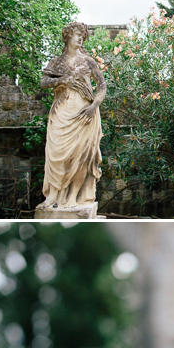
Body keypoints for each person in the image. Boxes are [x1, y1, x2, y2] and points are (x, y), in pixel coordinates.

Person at [38, 21, 106, 213]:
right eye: (77, 34)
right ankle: (54, 195)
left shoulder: (87, 61)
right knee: (56, 155)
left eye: (82, 35)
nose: (80, 37)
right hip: (62, 112)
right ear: (68, 36)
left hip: (85, 113)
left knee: (81, 156)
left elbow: (102, 86)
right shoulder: (56, 62)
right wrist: (64, 80)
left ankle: (74, 197)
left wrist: (94, 106)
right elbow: (44, 82)